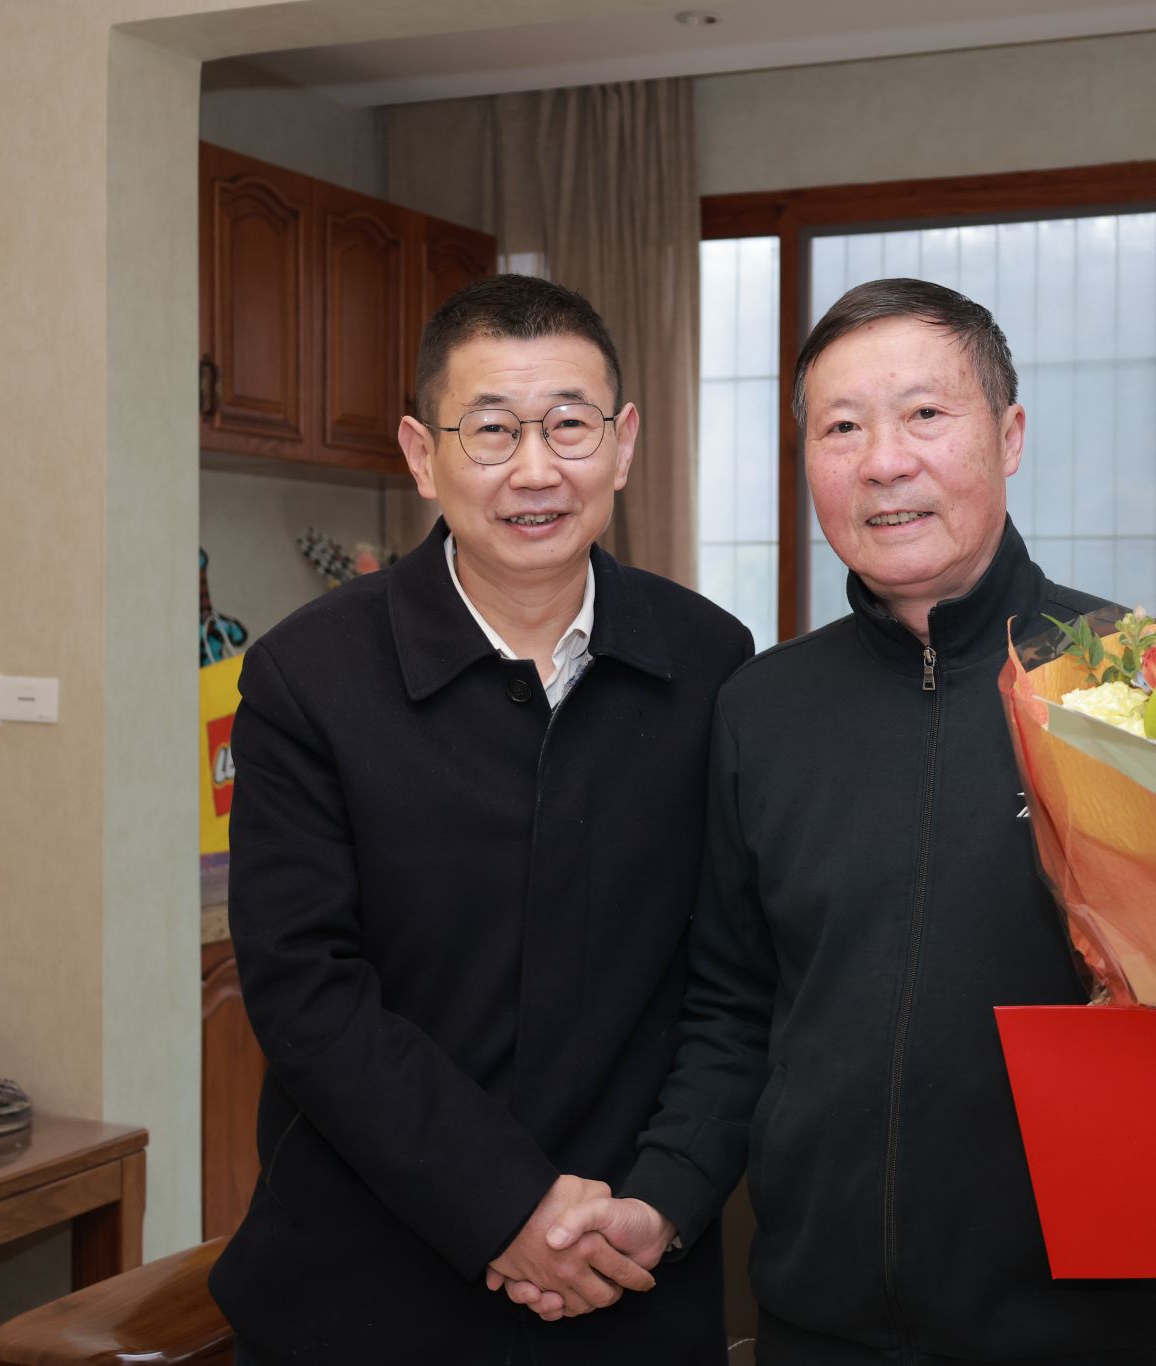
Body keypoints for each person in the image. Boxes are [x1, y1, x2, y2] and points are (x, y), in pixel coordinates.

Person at [515, 279, 1156, 1364]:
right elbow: (734, 1010)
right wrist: (664, 1198)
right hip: (813, 1329)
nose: (883, 461)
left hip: (1081, 1334)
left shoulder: (1152, 686)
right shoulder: (761, 708)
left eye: (924, 413)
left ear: (1008, 436)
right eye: (841, 427)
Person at [208, 274, 752, 1364]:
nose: (536, 470)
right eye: (492, 430)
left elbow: (732, 982)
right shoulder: (307, 677)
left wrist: (662, 1197)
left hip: (628, 1278)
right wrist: (508, 1205)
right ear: (422, 455)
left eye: (569, 426)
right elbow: (308, 991)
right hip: (365, 1290)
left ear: (623, 443)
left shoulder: (711, 662)